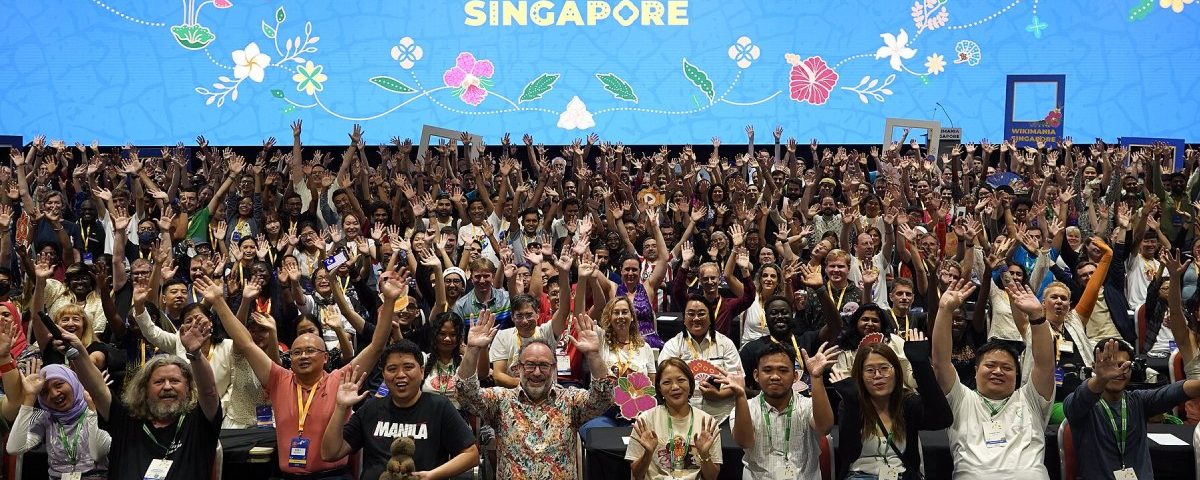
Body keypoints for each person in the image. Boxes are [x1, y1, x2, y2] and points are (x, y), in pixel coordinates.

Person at [197, 269, 399, 479]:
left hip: (332, 476)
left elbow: (376, 346)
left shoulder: (341, 379)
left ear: (325, 357)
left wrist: (390, 301)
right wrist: (219, 301)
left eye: (310, 351)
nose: (303, 356)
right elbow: (246, 344)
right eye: (296, 352)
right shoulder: (279, 379)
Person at [455, 309, 613, 479]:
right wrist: (472, 350)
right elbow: (466, 394)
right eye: (530, 365)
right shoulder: (501, 401)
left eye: (544, 365)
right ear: (518, 368)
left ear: (554, 369)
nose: (537, 372)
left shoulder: (570, 401)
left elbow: (603, 399)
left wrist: (593, 355)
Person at [67, 318, 222, 480]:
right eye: (159, 382)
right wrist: (78, 352)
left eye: (175, 381)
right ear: (145, 389)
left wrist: (195, 355)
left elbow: (209, 392)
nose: (167, 387)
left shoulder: (198, 422)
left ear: (188, 388)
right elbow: (96, 389)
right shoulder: (127, 419)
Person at [932, 280, 1056, 480]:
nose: (998, 371)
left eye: (1007, 368)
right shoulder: (961, 399)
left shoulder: (1030, 399)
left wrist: (1037, 317)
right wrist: (945, 310)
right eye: (990, 365)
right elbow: (940, 363)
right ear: (976, 371)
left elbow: (1045, 366)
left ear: (1017, 374)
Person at [320, 341, 478, 479]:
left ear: (422, 371)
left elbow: (471, 455)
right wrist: (341, 407)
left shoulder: (439, 406)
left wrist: (432, 476)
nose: (400, 375)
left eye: (408, 367)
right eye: (392, 369)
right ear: (383, 375)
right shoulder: (371, 408)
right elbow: (330, 453)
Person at [1063, 338, 1200, 479]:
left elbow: (1174, 392)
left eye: (1123, 365)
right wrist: (1100, 380)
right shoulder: (1081, 406)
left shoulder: (1138, 401)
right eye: (1109, 365)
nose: (1116, 371)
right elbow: (1079, 400)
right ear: (1094, 367)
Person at [831, 331, 953, 479]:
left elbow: (942, 419)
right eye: (870, 370)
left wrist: (921, 365)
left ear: (896, 372)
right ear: (860, 376)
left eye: (884, 368)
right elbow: (849, 454)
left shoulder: (907, 403)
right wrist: (852, 404)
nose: (878, 375)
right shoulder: (851, 404)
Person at [729, 341, 840, 479]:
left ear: (795, 376)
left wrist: (816, 378)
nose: (775, 376)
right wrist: (740, 396)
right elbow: (744, 442)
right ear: (756, 375)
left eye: (783, 370)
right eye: (767, 370)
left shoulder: (807, 405)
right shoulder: (744, 408)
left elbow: (824, 429)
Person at [6, 360, 112, 479]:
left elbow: (98, 454)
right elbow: (13, 448)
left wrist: (92, 410)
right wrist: (30, 397)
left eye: (59, 385)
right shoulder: (45, 418)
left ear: (72, 381)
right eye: (44, 392)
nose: (54, 394)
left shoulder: (96, 409)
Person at [626, 357, 722, 480]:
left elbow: (711, 477)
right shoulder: (645, 420)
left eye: (681, 380)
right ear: (659, 388)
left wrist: (704, 454)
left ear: (690, 383)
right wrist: (648, 454)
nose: (675, 387)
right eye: (667, 382)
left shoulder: (707, 423)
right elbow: (637, 474)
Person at [659, 295, 744, 424]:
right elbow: (664, 382)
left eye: (701, 314)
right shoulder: (672, 346)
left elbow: (738, 381)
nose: (696, 318)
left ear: (710, 318)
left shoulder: (726, 344)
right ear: (684, 319)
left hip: (722, 416)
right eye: (691, 314)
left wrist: (718, 395)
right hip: (682, 417)